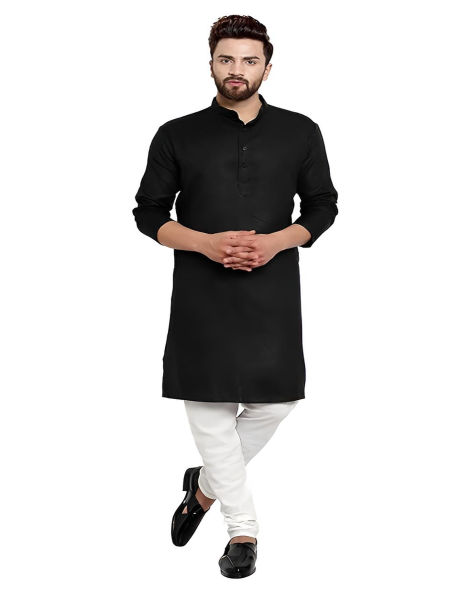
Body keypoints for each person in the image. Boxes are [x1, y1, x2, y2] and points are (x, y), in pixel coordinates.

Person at [132, 14, 338, 578]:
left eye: (249, 60)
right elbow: (148, 212)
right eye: (227, 59)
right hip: (201, 293)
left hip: (273, 289)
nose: (237, 70)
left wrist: (274, 243)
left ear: (268, 67)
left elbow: (323, 205)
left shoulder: (300, 131)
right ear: (211, 64)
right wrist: (204, 242)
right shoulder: (177, 133)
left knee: (276, 402)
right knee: (210, 409)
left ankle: (202, 488)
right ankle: (242, 532)